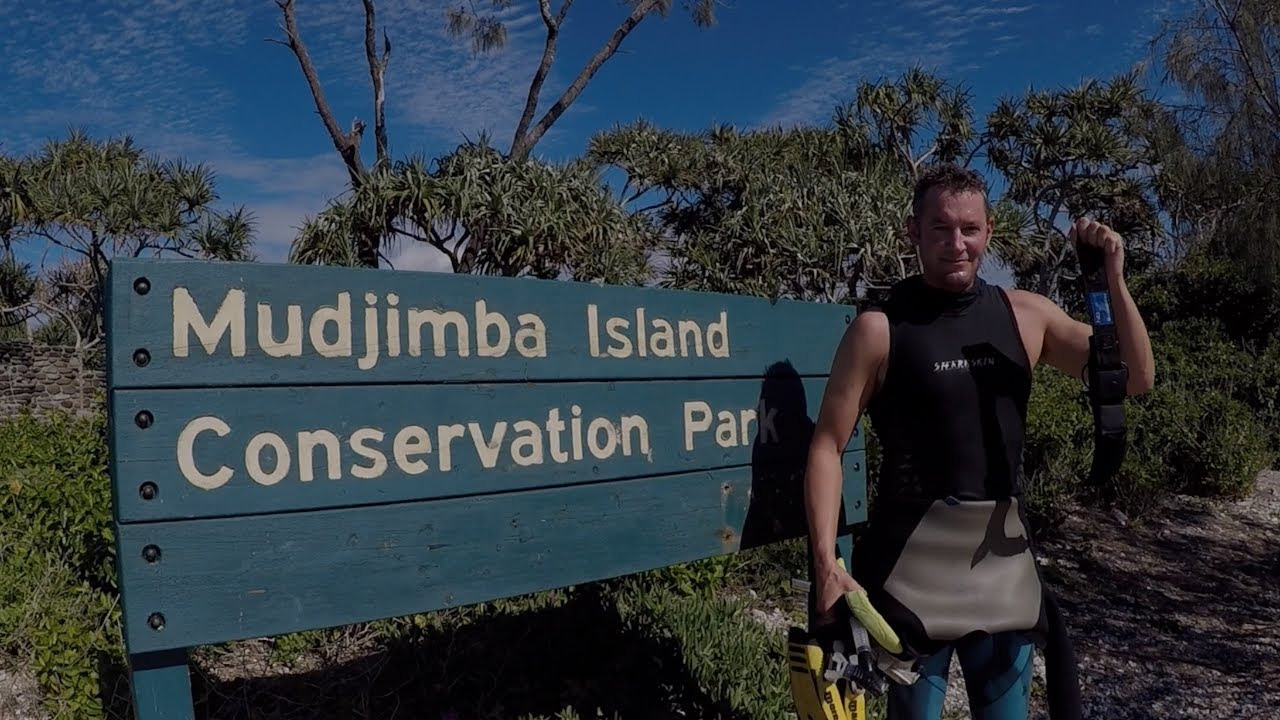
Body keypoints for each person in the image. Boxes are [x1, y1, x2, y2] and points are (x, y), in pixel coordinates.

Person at [802, 163, 1155, 720]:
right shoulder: (880, 327)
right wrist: (826, 563)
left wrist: (1111, 279)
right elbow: (826, 445)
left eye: (969, 228)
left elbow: (1134, 377)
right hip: (909, 573)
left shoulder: (1026, 315)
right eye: (940, 228)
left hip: (1003, 569)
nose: (956, 243)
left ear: (989, 231)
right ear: (912, 232)